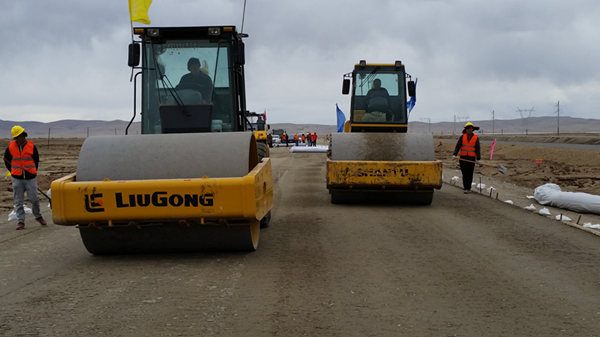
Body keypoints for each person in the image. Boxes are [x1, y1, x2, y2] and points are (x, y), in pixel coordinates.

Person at [4, 126, 47, 230]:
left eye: (18, 137)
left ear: (23, 135)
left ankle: (38, 216)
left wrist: (32, 172)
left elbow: (36, 161)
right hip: (17, 178)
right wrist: (13, 171)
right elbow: (6, 160)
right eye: (15, 138)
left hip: (30, 178)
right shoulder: (10, 147)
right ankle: (20, 221)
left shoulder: (31, 146)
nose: (17, 140)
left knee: (34, 199)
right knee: (18, 201)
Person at [453, 122, 481, 194]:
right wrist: (454, 154)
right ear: (466, 130)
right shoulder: (462, 137)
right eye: (468, 129)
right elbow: (458, 146)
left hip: (471, 159)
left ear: (472, 130)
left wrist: (478, 158)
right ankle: (465, 187)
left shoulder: (475, 137)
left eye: (471, 129)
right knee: (464, 173)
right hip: (463, 158)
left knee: (470, 174)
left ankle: (468, 188)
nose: (469, 130)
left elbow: (478, 148)